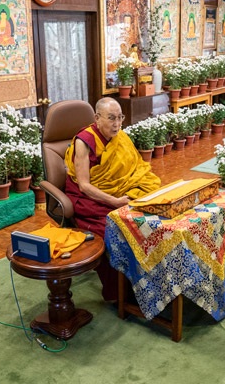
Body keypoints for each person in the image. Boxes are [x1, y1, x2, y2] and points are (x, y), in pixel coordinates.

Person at [64, 97, 161, 300]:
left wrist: (131, 192)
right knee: (115, 231)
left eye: (120, 117)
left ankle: (152, 279)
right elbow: (84, 185)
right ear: (97, 118)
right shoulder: (84, 141)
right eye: (111, 118)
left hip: (119, 193)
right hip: (91, 200)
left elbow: (136, 168)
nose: (117, 124)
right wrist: (114, 202)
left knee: (150, 218)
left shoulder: (120, 137)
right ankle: (119, 292)